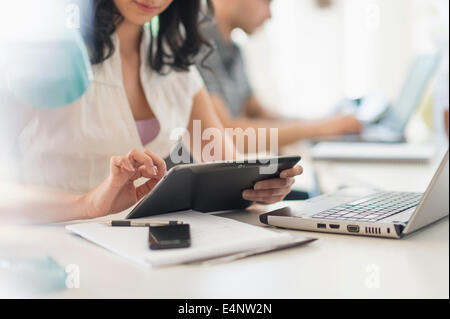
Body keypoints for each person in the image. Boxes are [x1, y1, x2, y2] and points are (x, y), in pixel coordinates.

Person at [0, 0, 303, 224]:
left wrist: (259, 187)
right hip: (51, 246)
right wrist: (87, 203)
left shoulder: (175, 63)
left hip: (138, 245)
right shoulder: (47, 54)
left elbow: (226, 164)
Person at [196, 0, 362, 149]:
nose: (269, 15)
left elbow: (260, 113)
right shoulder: (196, 43)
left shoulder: (233, 50)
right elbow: (225, 135)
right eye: (266, 2)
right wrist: (318, 128)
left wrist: (327, 123)